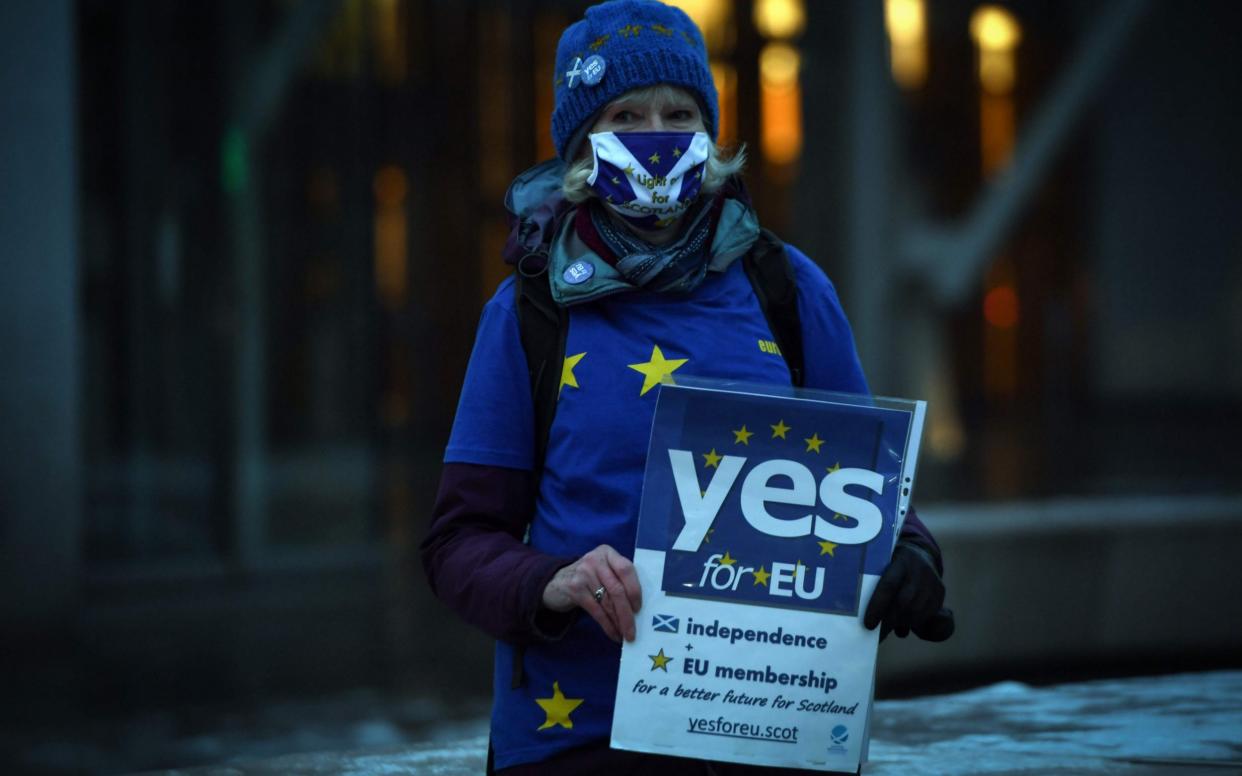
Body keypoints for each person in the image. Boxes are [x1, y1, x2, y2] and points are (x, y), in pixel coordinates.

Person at [421, 1, 953, 772]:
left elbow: (871, 494)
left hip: (766, 731)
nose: (656, 133)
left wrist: (913, 560)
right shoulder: (529, 311)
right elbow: (455, 545)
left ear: (709, 130)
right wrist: (553, 581)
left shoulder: (787, 289)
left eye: (679, 111)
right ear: (581, 144)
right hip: (578, 741)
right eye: (625, 114)